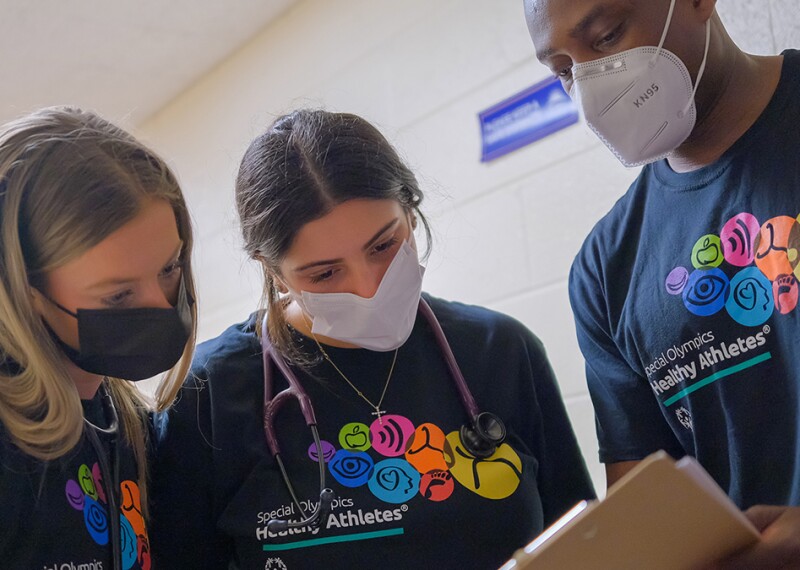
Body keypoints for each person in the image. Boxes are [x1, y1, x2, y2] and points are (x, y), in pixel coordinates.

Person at [149, 109, 595, 569]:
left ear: (410, 212)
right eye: (324, 273)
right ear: (273, 271)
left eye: (383, 246)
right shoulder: (209, 394)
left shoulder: (499, 351)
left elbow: (588, 544)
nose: (368, 287)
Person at [524, 0, 800, 566]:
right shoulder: (607, 269)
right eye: (562, 71)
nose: (589, 86)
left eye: (605, 37)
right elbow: (648, 522)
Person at [0, 106, 197, 569]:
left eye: (169, 268)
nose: (162, 306)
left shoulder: (125, 422)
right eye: (118, 296)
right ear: (25, 293)